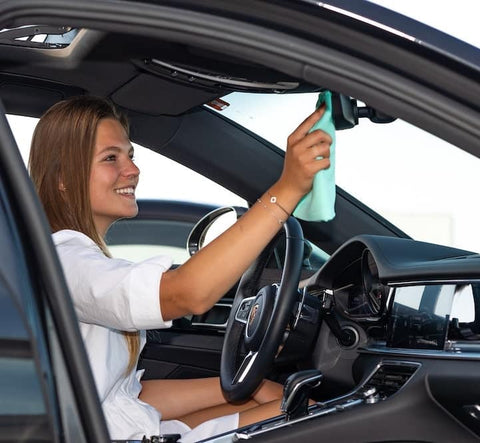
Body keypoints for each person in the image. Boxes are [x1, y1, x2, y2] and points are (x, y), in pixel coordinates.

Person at [28, 96, 331, 441]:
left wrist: (245, 388)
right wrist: (287, 190)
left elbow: (124, 399)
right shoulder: (64, 263)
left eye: (130, 155)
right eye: (111, 158)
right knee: (313, 419)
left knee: (290, 408)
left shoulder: (74, 259)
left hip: (127, 430)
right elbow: (185, 293)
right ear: (63, 179)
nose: (133, 169)